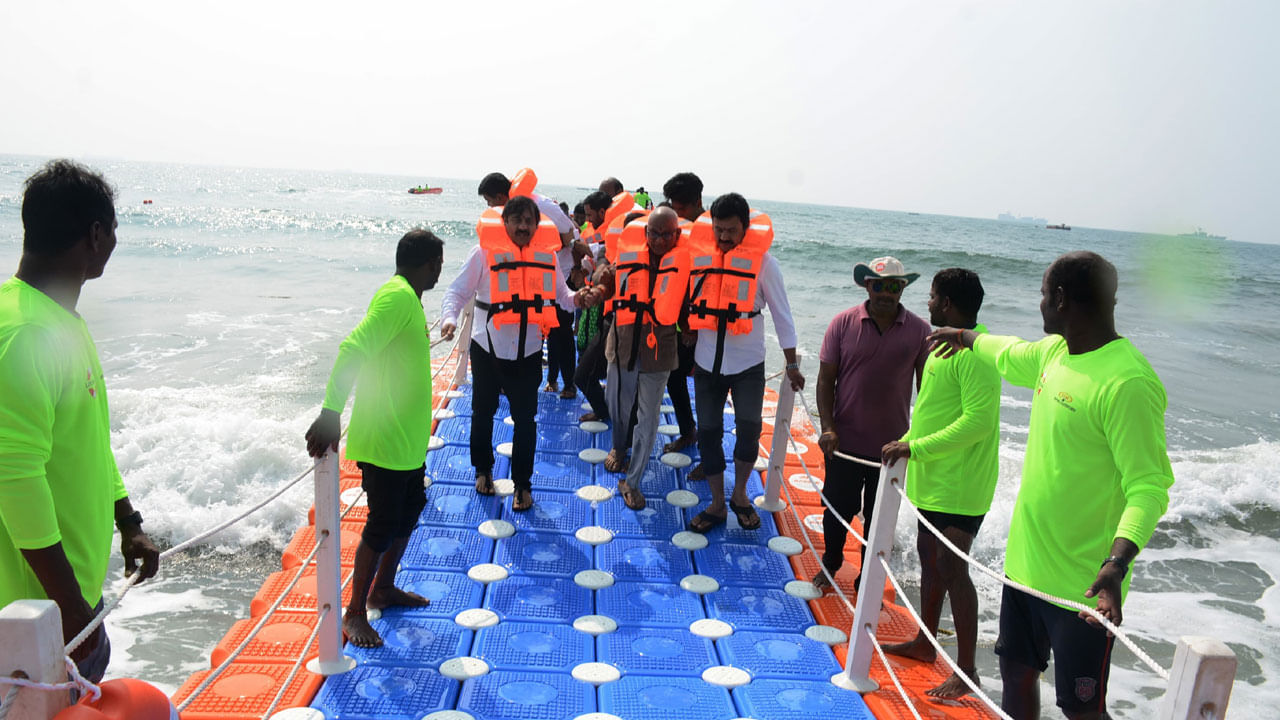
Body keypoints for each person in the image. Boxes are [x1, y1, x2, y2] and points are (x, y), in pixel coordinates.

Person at [930, 251, 1174, 719]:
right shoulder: (1054, 353)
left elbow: (1148, 486)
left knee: (1082, 709)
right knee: (1016, 676)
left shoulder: (1128, 382)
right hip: (1024, 569)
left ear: (1061, 299)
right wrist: (961, 336)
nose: (1039, 303)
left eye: (1043, 295)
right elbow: (1004, 350)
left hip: (1083, 588)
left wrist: (1116, 564)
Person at [0, 159, 160, 682]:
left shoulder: (61, 321)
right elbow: (14, 476)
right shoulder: (25, 333)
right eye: (112, 229)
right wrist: (69, 609)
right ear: (95, 235)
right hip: (31, 621)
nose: (114, 240)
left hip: (68, 605)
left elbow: (86, 440)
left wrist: (127, 520)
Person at [305, 228, 445, 648]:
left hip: (405, 441)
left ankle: (384, 588)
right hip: (385, 439)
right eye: (437, 262)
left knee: (410, 508)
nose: (440, 270)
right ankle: (353, 612)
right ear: (425, 264)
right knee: (382, 521)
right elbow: (353, 348)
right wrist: (331, 413)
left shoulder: (407, 298)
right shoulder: (397, 297)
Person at [879, 268, 1001, 699]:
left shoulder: (976, 355)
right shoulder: (941, 347)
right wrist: (907, 441)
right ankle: (925, 643)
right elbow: (931, 409)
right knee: (929, 559)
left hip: (963, 485)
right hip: (934, 480)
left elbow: (977, 423)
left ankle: (967, 671)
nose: (926, 303)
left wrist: (916, 449)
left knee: (953, 569)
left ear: (947, 304)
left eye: (931, 297)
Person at [441, 195, 578, 512]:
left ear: (537, 223)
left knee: (527, 420)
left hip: (529, 351)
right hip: (487, 347)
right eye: (516, 219)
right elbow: (457, 291)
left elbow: (563, 297)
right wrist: (449, 318)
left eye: (529, 219)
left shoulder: (547, 257)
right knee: (483, 412)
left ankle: (523, 484)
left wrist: (581, 298)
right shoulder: (484, 254)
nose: (523, 225)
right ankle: (483, 470)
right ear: (504, 224)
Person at [684, 193, 804, 533]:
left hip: (748, 363)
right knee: (708, 433)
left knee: (749, 430)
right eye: (718, 229)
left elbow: (783, 316)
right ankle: (718, 504)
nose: (723, 237)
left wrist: (792, 363)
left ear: (745, 228)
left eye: (731, 230)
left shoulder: (765, 264)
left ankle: (740, 495)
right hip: (707, 362)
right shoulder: (701, 258)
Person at [814, 256, 930, 589]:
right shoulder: (843, 323)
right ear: (868, 286)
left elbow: (927, 391)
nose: (886, 293)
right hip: (845, 444)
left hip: (891, 449)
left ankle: (867, 579)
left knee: (880, 520)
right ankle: (831, 563)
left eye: (893, 286)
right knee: (837, 509)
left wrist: (917, 439)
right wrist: (827, 428)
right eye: (879, 285)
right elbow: (825, 381)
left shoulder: (920, 331)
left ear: (902, 289)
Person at [577, 207, 690, 509]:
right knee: (619, 405)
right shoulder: (627, 258)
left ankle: (633, 480)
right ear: (645, 233)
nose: (660, 239)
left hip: (659, 347)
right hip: (624, 340)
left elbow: (691, 299)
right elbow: (608, 280)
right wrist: (598, 291)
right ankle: (617, 446)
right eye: (654, 233)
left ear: (677, 234)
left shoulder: (685, 262)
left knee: (649, 418)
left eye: (667, 233)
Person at [477, 171, 579, 399]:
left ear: (502, 196)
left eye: (490, 201)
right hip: (519, 283)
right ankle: (521, 380)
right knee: (524, 326)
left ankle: (567, 383)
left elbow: (570, 231)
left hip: (555, 273)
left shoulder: (541, 205)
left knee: (560, 333)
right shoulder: (492, 242)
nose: (490, 206)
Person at [657, 172, 705, 455]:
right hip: (680, 319)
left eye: (683, 208)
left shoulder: (710, 232)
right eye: (674, 207)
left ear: (698, 201)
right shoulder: (677, 229)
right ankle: (689, 432)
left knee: (706, 387)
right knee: (674, 377)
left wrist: (692, 327)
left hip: (704, 323)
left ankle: (707, 452)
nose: (678, 214)